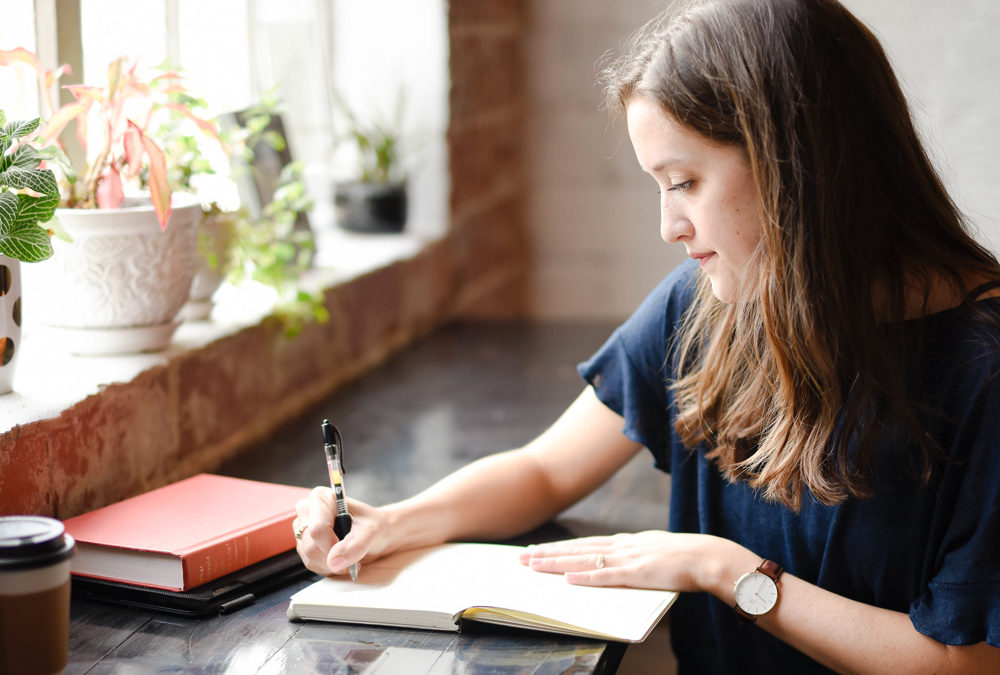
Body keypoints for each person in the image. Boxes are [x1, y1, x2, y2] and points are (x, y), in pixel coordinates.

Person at [294, 0, 1000, 671]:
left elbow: (964, 662)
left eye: (685, 181)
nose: (669, 226)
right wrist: (395, 521)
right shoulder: (711, 303)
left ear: (797, 165)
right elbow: (545, 470)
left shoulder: (984, 371)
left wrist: (727, 571)